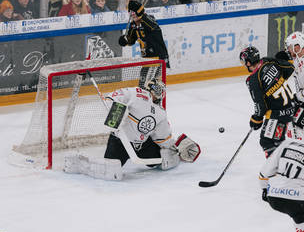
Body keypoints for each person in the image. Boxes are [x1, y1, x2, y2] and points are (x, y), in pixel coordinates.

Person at [63, 77, 201, 181]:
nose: (157, 94)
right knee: (111, 169)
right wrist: (118, 112)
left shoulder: (160, 112)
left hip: (142, 145)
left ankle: (176, 151)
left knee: (163, 159)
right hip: (120, 141)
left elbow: (163, 138)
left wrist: (175, 147)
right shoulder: (136, 93)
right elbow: (111, 100)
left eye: (160, 91)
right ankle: (79, 163)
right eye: (157, 90)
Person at [239, 46, 296, 158]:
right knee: (278, 140)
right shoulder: (268, 61)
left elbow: (260, 106)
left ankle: (275, 170)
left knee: (267, 142)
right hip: (291, 107)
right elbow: (290, 67)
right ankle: (285, 164)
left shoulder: (253, 80)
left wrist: (256, 119)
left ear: (249, 62)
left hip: (277, 114)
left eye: (244, 61)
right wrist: (277, 81)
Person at [118, 0, 170, 89]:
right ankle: (151, 101)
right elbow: (131, 40)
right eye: (130, 12)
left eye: (133, 12)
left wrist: (140, 14)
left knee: (147, 86)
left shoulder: (148, 20)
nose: (131, 14)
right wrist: (125, 40)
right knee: (146, 85)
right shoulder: (134, 24)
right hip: (147, 59)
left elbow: (153, 27)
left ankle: (153, 101)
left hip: (157, 57)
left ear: (139, 12)